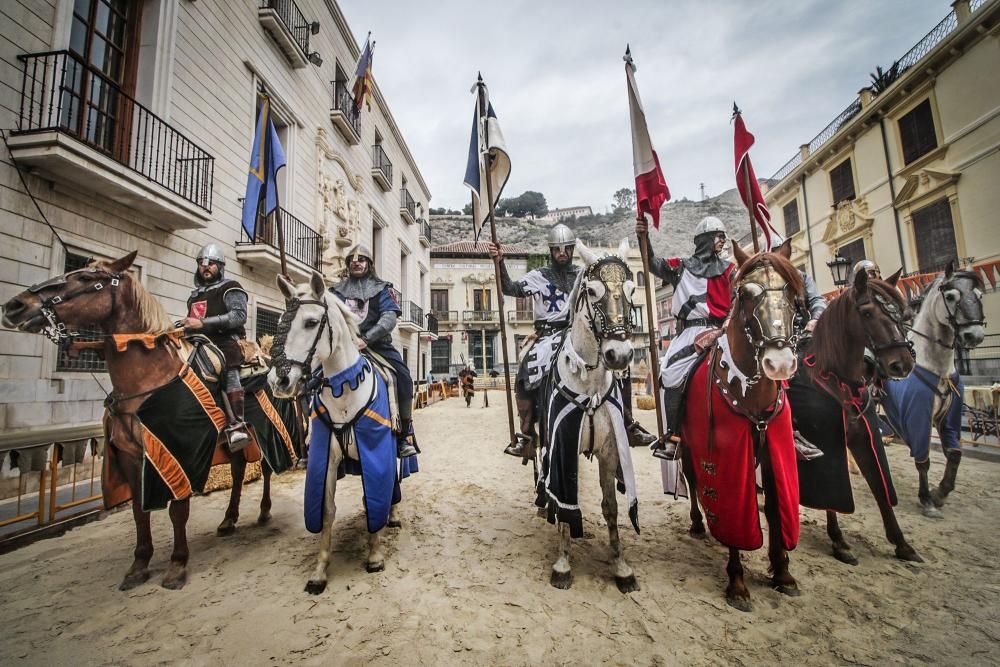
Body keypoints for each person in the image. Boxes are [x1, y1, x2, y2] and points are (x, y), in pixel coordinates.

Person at [488, 224, 655, 459]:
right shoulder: (539, 276)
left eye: (566, 248)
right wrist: (500, 262)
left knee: (619, 368)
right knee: (528, 367)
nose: (562, 253)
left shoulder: (582, 274)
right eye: (557, 249)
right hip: (548, 335)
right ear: (551, 250)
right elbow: (510, 288)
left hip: (580, 335)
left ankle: (628, 424)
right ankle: (527, 436)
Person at [637, 215, 737, 460]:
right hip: (691, 333)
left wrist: (728, 321)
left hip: (723, 329)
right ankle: (674, 438)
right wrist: (644, 236)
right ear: (704, 239)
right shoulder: (681, 267)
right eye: (718, 236)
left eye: (723, 236)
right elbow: (651, 262)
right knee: (670, 373)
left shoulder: (730, 270)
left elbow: (737, 296)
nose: (722, 240)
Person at [329, 244, 417, 458]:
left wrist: (366, 339)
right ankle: (310, 437)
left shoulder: (383, 288)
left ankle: (403, 435)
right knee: (310, 377)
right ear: (348, 264)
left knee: (403, 378)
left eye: (361, 259)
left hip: (378, 346)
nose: (356, 262)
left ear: (369, 264)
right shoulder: (335, 290)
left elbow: (389, 318)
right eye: (352, 260)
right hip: (343, 347)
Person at [182, 243, 251, 450]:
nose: (206, 267)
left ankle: (236, 425)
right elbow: (193, 320)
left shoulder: (230, 286)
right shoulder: (194, 295)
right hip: (198, 343)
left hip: (225, 341)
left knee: (229, 371)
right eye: (202, 264)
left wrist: (204, 324)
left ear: (220, 266)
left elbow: (239, 316)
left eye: (211, 264)